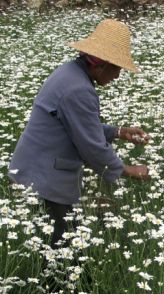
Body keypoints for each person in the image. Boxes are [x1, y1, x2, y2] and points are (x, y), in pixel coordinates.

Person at [9, 19, 150, 248]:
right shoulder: (79, 89)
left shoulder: (70, 74)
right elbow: (91, 146)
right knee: (64, 251)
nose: (117, 77)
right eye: (117, 68)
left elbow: (78, 126)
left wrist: (118, 132)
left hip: (36, 169)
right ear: (100, 65)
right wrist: (127, 170)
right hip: (45, 177)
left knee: (60, 246)